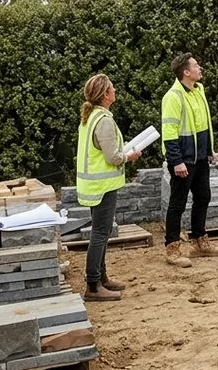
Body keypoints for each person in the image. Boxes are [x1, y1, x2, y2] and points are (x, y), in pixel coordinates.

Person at [76, 73, 141, 301]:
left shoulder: (91, 117)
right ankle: (93, 285)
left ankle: (101, 278)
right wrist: (130, 156)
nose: (115, 90)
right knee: (100, 234)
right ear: (105, 94)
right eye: (112, 88)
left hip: (93, 186)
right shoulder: (103, 120)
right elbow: (112, 156)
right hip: (102, 186)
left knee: (99, 233)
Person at [161, 53, 218, 266]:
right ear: (186, 72)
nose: (201, 68)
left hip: (199, 158)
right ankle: (172, 248)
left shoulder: (199, 91)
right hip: (183, 159)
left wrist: (210, 149)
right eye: (196, 66)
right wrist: (176, 160)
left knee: (203, 197)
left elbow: (203, 124)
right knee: (177, 203)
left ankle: (199, 240)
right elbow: (169, 132)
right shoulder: (173, 97)